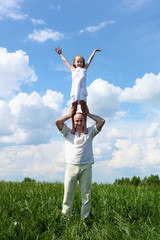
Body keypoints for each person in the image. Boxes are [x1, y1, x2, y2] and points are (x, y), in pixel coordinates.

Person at [55, 106, 105, 219]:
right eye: (76, 120)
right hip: (71, 166)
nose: (79, 123)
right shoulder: (68, 132)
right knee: (68, 194)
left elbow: (101, 121)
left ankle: (85, 219)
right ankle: (65, 218)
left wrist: (88, 113)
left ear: (84, 121)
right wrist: (69, 115)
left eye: (81, 120)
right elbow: (57, 122)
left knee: (86, 195)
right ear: (73, 121)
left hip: (86, 167)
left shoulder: (90, 132)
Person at [55, 47, 102, 134]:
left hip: (82, 92)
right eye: (78, 61)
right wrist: (60, 54)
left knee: (84, 110)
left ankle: (85, 127)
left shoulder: (84, 69)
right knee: (73, 110)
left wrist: (94, 51)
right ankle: (73, 127)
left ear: (83, 63)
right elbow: (65, 61)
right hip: (74, 92)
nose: (79, 63)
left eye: (81, 61)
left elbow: (90, 59)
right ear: (74, 63)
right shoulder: (73, 70)